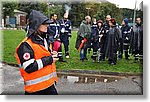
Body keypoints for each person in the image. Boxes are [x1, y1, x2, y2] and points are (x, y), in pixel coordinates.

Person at [15, 10, 59, 95]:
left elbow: (43, 55)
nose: (47, 25)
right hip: (35, 90)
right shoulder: (25, 45)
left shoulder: (44, 40)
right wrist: (50, 59)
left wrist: (52, 55)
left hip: (49, 85)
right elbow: (29, 67)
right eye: (44, 24)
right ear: (36, 25)